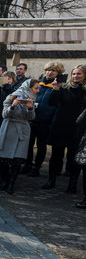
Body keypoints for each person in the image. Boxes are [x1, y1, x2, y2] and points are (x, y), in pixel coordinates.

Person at [44, 64, 86, 192]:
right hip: (61, 125)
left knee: (73, 158)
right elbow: (51, 102)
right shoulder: (65, 88)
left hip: (78, 128)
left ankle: (72, 184)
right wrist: (55, 90)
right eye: (74, 73)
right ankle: (51, 180)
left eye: (79, 74)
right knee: (56, 155)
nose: (75, 76)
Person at [0, 79, 39, 194]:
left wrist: (30, 108)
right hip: (9, 128)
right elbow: (4, 114)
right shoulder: (12, 97)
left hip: (22, 131)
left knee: (17, 160)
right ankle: (4, 181)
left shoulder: (32, 98)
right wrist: (13, 106)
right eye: (35, 88)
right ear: (28, 88)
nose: (37, 91)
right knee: (2, 159)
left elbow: (31, 117)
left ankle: (11, 184)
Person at [24, 62, 64, 176]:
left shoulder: (59, 88)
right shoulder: (38, 84)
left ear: (58, 73)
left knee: (41, 145)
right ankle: (27, 164)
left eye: (53, 71)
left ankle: (36, 167)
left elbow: (57, 106)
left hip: (46, 121)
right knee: (29, 143)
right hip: (32, 118)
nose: (50, 72)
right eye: (48, 70)